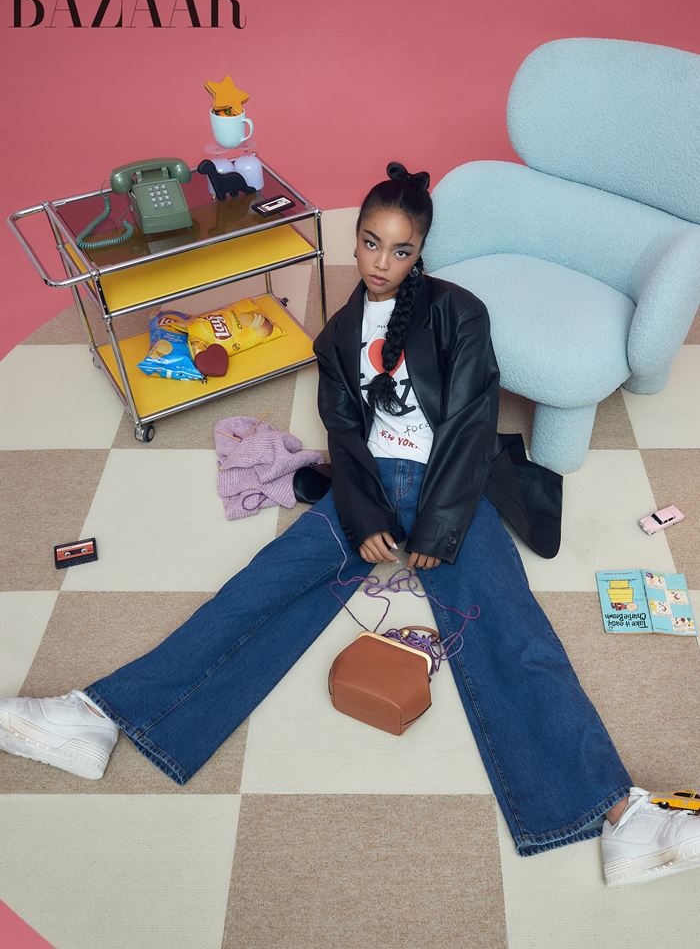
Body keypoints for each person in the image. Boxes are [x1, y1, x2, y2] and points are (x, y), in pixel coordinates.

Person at [1, 163, 698, 889]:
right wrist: (363, 516)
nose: (381, 262)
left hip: (450, 487)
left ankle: (621, 817)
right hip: (370, 486)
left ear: (420, 251)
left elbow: (470, 425)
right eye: (370, 243)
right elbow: (343, 433)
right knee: (261, 586)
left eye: (400, 250)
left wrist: (437, 532)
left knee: (513, 627)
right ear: (356, 238)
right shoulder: (337, 334)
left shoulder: (459, 313)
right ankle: (97, 714)